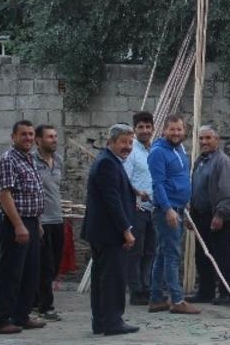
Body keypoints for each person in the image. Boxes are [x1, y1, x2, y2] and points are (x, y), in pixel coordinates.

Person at [81, 124, 140, 336]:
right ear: (110, 142)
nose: (127, 146)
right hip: (109, 233)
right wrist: (126, 229)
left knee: (102, 278)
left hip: (102, 231)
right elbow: (111, 201)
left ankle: (101, 321)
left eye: (130, 142)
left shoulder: (110, 161)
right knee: (112, 279)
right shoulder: (107, 163)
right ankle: (112, 322)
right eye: (123, 142)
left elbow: (115, 192)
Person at [0, 120, 46, 335]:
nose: (28, 138)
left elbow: (32, 194)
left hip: (30, 222)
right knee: (11, 274)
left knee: (30, 273)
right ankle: (0, 321)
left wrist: (36, 223)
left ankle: (21, 316)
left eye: (31, 134)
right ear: (13, 137)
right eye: (23, 134)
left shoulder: (29, 159)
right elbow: (5, 195)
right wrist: (19, 225)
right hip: (15, 223)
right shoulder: (7, 160)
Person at [147, 114, 201, 314]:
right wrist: (168, 208)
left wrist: (182, 208)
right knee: (172, 255)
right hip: (166, 211)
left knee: (163, 254)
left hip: (178, 208)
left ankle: (155, 298)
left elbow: (179, 178)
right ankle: (177, 300)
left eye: (179, 129)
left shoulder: (178, 149)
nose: (176, 133)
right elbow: (158, 184)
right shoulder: (158, 152)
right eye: (172, 129)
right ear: (164, 131)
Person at [187, 125, 230, 305]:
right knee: (203, 256)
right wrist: (192, 214)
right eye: (201, 138)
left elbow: (227, 191)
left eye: (208, 138)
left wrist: (219, 215)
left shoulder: (222, 162)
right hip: (201, 215)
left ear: (216, 140)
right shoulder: (200, 160)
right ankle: (206, 291)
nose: (204, 142)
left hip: (219, 216)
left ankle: (227, 293)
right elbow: (196, 188)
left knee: (222, 255)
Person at [123, 111, 157, 306]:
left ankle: (146, 286)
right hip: (137, 208)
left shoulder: (153, 150)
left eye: (147, 127)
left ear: (152, 129)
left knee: (150, 250)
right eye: (140, 127)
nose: (144, 131)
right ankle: (135, 290)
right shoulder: (131, 152)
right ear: (134, 130)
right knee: (136, 251)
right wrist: (137, 193)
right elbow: (125, 180)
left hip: (153, 209)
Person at [32, 125, 64, 322]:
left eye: (55, 136)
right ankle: (46, 306)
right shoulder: (32, 161)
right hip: (41, 220)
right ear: (38, 140)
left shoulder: (59, 160)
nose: (54, 140)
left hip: (57, 218)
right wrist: (36, 221)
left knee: (54, 265)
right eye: (49, 137)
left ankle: (35, 300)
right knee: (45, 265)